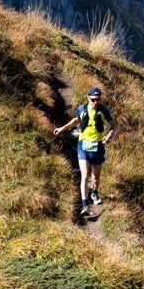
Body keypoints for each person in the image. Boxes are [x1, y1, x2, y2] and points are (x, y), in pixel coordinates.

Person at [53, 86, 117, 216]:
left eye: (98, 99)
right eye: (93, 99)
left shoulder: (103, 110)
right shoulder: (82, 109)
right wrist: (62, 129)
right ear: (88, 98)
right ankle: (85, 205)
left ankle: (94, 192)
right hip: (83, 145)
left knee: (95, 177)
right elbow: (76, 121)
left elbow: (113, 125)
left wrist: (110, 136)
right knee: (85, 175)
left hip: (97, 146)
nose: (96, 102)